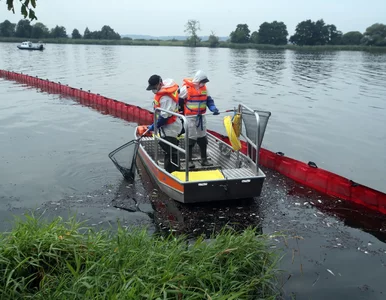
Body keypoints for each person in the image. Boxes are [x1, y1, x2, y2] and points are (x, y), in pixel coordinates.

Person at [179, 70, 219, 168]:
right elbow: (179, 101)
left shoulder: (205, 88)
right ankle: (189, 161)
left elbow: (209, 100)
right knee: (191, 138)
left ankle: (204, 160)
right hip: (190, 118)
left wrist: (213, 108)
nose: (204, 83)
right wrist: (181, 113)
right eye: (203, 81)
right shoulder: (185, 89)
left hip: (201, 117)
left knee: (202, 138)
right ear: (198, 81)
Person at [146, 74, 182, 173]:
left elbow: (164, 117)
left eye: (154, 87)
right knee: (170, 148)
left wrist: (154, 127)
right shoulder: (165, 87)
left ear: (159, 84)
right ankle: (172, 170)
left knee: (170, 150)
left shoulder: (166, 98)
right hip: (171, 124)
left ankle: (173, 172)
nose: (153, 90)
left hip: (170, 126)